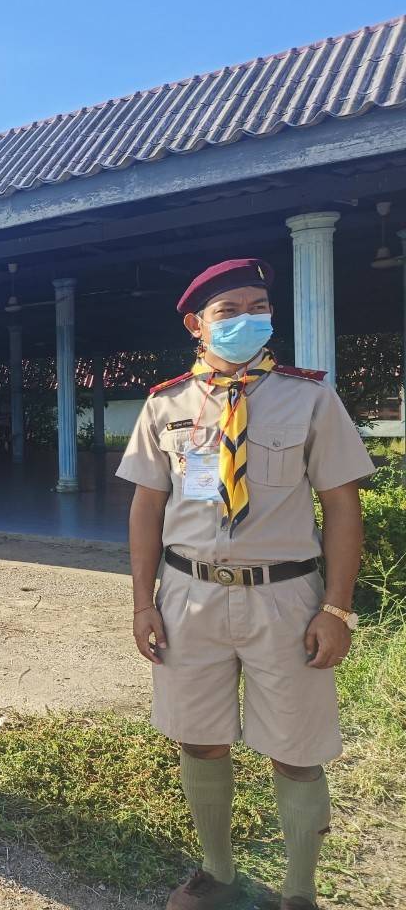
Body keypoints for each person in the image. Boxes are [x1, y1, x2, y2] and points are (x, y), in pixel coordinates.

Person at [117, 259, 374, 910]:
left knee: (296, 747)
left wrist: (337, 611)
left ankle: (298, 892)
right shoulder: (166, 404)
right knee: (199, 738)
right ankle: (218, 872)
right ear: (195, 325)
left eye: (258, 307)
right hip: (188, 596)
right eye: (229, 311)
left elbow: (342, 506)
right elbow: (147, 508)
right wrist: (142, 602)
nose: (248, 320)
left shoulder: (311, 397)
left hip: (285, 598)